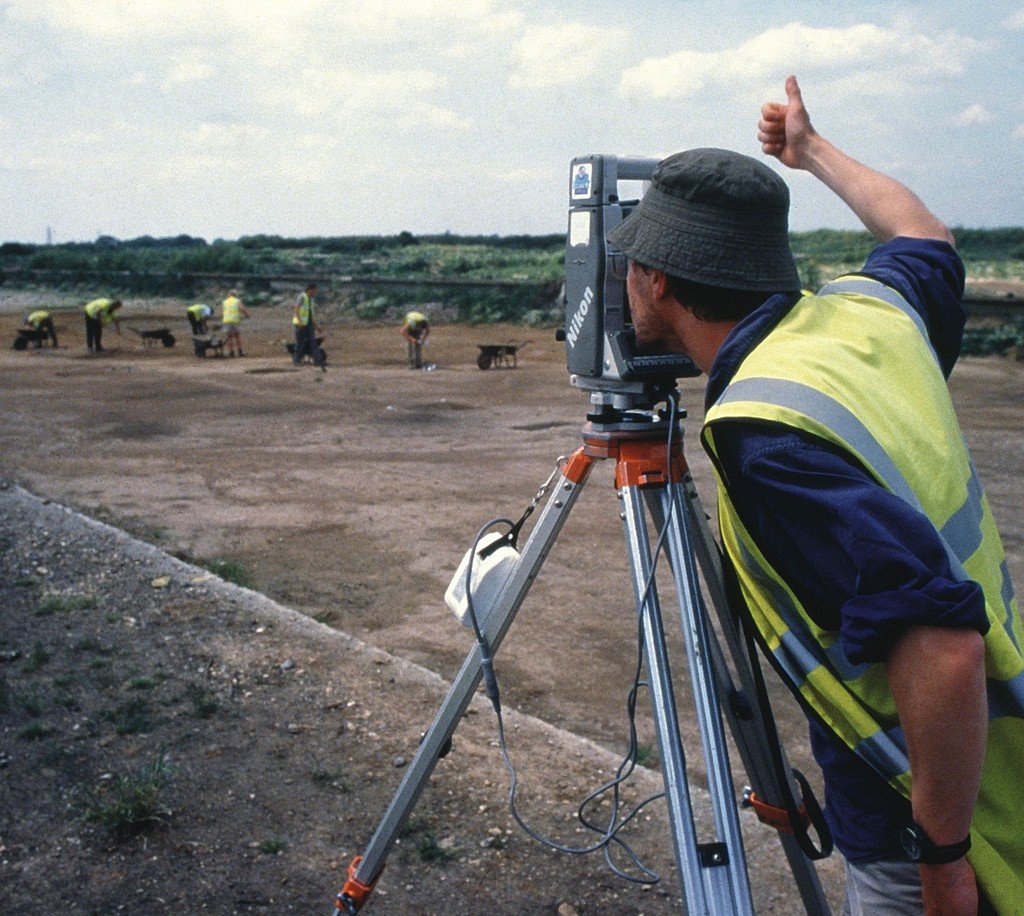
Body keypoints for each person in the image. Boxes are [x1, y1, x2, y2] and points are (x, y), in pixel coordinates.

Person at [607, 75, 1023, 914]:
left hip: (923, 817)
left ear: (656, 281)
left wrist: (940, 859)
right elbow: (924, 232)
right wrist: (811, 152)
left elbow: (943, 648)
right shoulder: (868, 314)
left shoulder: (766, 432)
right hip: (1003, 760)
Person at [292, 282, 326, 371]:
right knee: (301, 343)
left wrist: (316, 327)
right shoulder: (302, 297)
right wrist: (299, 321)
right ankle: (297, 360)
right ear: (309, 290)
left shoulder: (311, 300)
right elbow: (296, 308)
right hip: (300, 324)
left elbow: (312, 315)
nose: (314, 293)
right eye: (313, 291)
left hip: (309, 325)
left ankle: (318, 361)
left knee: (313, 343)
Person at [220, 290, 249, 357]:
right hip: (235, 320)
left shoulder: (224, 302)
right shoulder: (237, 301)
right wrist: (246, 315)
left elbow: (223, 311)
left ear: (229, 295)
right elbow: (242, 309)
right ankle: (240, 351)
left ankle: (231, 352)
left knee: (229, 337)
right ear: (235, 295)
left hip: (227, 320)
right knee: (237, 336)